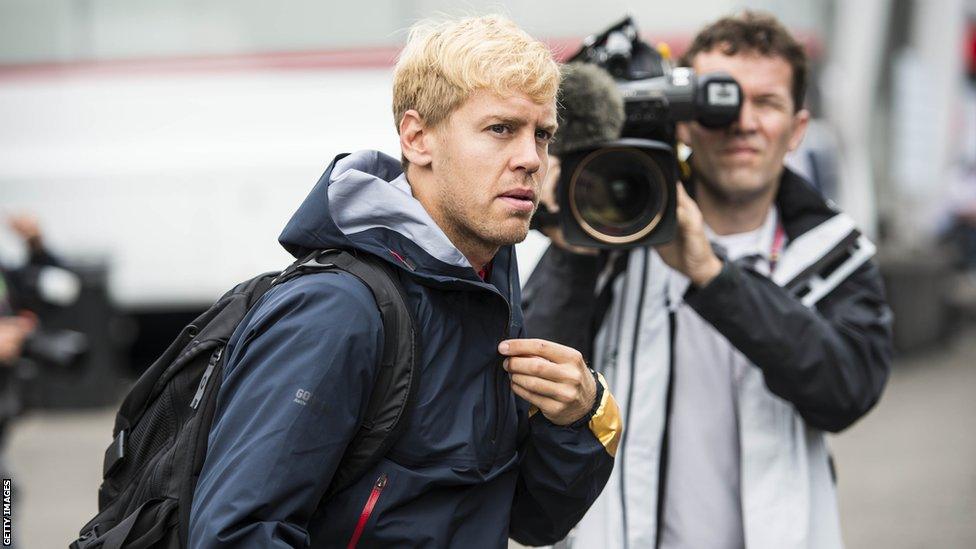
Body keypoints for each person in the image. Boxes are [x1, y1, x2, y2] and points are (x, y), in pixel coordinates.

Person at [188, 15, 621, 548]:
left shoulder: (481, 286)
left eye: (543, 134)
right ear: (418, 138)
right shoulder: (337, 309)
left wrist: (579, 418)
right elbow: (236, 536)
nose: (531, 159)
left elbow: (525, 521)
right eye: (500, 129)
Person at [524, 11, 893, 548]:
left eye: (767, 103)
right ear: (687, 119)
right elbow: (528, 386)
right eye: (722, 98)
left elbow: (846, 392)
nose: (743, 122)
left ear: (797, 130)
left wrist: (711, 274)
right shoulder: (618, 230)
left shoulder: (833, 251)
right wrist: (581, 233)